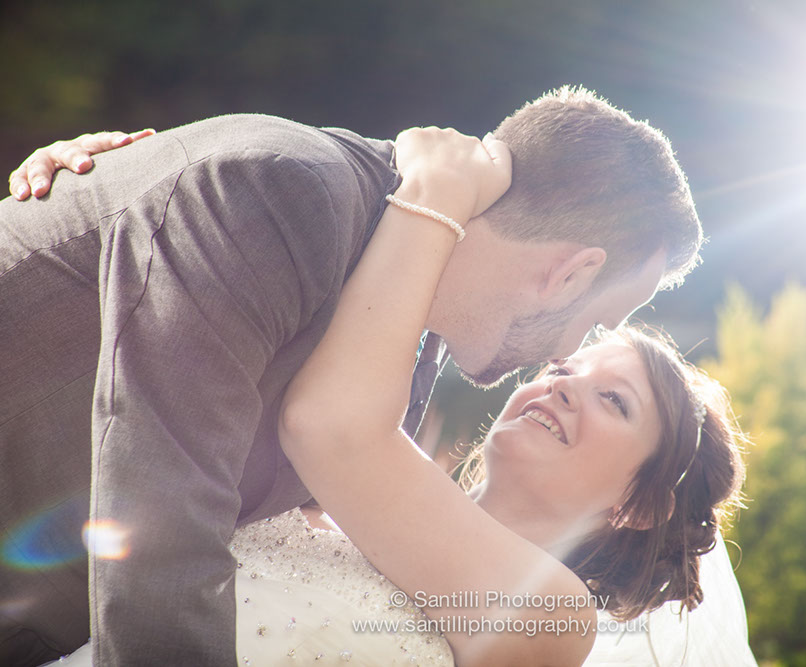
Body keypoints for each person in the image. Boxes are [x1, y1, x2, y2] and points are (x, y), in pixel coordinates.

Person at [0, 87, 704, 665]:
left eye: (612, 392)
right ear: (570, 274)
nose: (563, 359)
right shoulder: (281, 191)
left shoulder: (403, 360)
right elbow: (160, 518)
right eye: (596, 323)